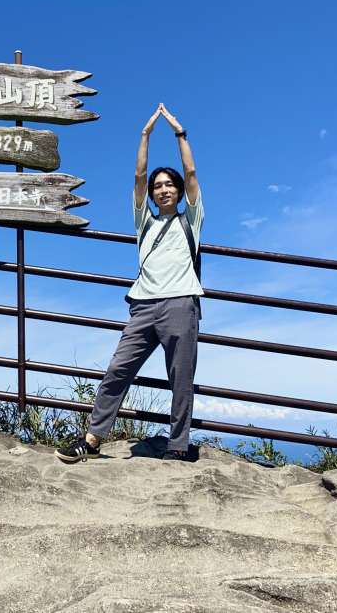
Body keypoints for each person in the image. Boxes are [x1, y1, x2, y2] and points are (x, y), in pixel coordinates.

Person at [56, 103, 203, 463]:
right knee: (118, 370)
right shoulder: (145, 223)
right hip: (143, 306)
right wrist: (145, 135)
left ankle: (178, 446)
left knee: (180, 379)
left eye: (169, 185)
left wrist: (179, 134)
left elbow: (192, 171)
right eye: (158, 186)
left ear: (180, 192)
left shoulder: (193, 219)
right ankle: (91, 439)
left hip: (182, 303)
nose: (163, 190)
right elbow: (138, 176)